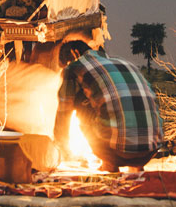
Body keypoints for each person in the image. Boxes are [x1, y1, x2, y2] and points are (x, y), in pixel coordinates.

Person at [51, 41, 164, 170]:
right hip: (150, 151)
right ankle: (137, 167)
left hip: (115, 153)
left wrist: (61, 146)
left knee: (80, 102)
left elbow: (64, 110)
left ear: (74, 53)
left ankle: (109, 165)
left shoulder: (75, 67)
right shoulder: (125, 63)